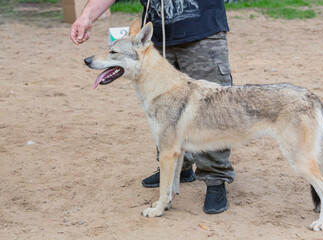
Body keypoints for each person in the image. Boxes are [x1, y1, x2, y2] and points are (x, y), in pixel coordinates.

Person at [70, 0, 235, 214]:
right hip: (156, 40)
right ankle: (180, 169)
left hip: (202, 34)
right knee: (164, 112)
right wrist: (87, 16)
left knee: (212, 110)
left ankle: (215, 179)